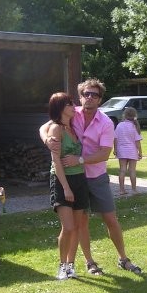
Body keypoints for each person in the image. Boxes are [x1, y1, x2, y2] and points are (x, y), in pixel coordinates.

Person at [40, 79, 142, 275]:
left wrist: (79, 160)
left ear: (100, 99)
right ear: (80, 97)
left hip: (96, 176)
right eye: (86, 94)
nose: (89, 97)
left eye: (94, 95)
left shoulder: (106, 122)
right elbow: (45, 127)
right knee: (81, 223)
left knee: (110, 218)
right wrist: (48, 140)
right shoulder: (72, 113)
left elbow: (104, 154)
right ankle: (89, 262)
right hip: (74, 178)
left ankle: (123, 258)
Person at [47, 92, 89, 280]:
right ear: (59, 108)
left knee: (77, 226)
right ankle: (62, 265)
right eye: (69, 104)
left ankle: (71, 265)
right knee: (69, 227)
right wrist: (65, 188)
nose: (74, 107)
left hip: (80, 179)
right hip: (62, 181)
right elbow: (56, 161)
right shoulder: (56, 129)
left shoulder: (73, 127)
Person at [114, 107, 143, 195]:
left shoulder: (119, 125)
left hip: (121, 151)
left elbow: (115, 138)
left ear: (124, 115)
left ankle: (121, 190)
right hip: (132, 151)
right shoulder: (134, 127)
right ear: (135, 116)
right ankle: (134, 189)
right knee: (132, 170)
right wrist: (140, 152)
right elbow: (137, 142)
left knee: (122, 170)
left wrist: (115, 149)